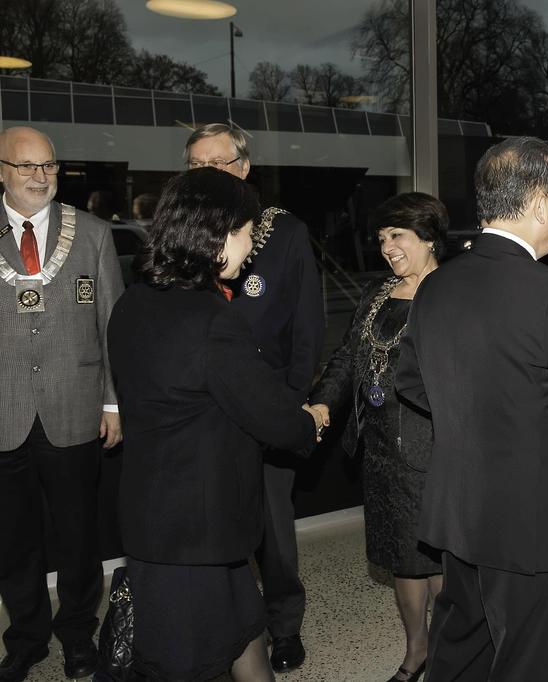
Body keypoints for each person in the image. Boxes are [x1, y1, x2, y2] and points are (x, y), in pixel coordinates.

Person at [395, 137, 548, 682]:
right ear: (542, 203)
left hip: (461, 512)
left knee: (462, 649)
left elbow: (411, 380)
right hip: (533, 525)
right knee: (531, 662)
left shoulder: (435, 286)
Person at [107, 168, 323, 682]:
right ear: (218, 233)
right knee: (191, 663)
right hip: (193, 540)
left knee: (246, 632)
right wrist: (308, 419)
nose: (252, 247)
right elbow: (272, 418)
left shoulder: (134, 302)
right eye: (248, 232)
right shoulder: (211, 322)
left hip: (159, 522)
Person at [184, 123, 325, 673]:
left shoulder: (283, 233)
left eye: (219, 163)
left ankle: (284, 626)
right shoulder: (179, 237)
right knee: (211, 526)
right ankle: (223, 625)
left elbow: (308, 329)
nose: (209, 175)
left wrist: (290, 405)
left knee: (272, 529)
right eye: (197, 166)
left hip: (267, 409)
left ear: (244, 169)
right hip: (200, 412)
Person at [307, 192, 447, 682]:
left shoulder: (450, 292)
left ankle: (452, 656)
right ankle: (417, 651)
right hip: (380, 446)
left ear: (428, 238)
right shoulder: (378, 291)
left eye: (398, 236)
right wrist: (324, 401)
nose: (388, 247)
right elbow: (347, 355)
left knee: (435, 559)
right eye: (383, 238)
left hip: (433, 446)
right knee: (399, 557)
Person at [0, 126, 123, 682]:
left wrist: (114, 404)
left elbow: (112, 327)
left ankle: (77, 633)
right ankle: (25, 637)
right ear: (2, 170)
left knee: (77, 535)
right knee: (13, 538)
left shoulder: (93, 234)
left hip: (75, 410)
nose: (39, 176)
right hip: (3, 415)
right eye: (26, 166)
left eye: (47, 165)